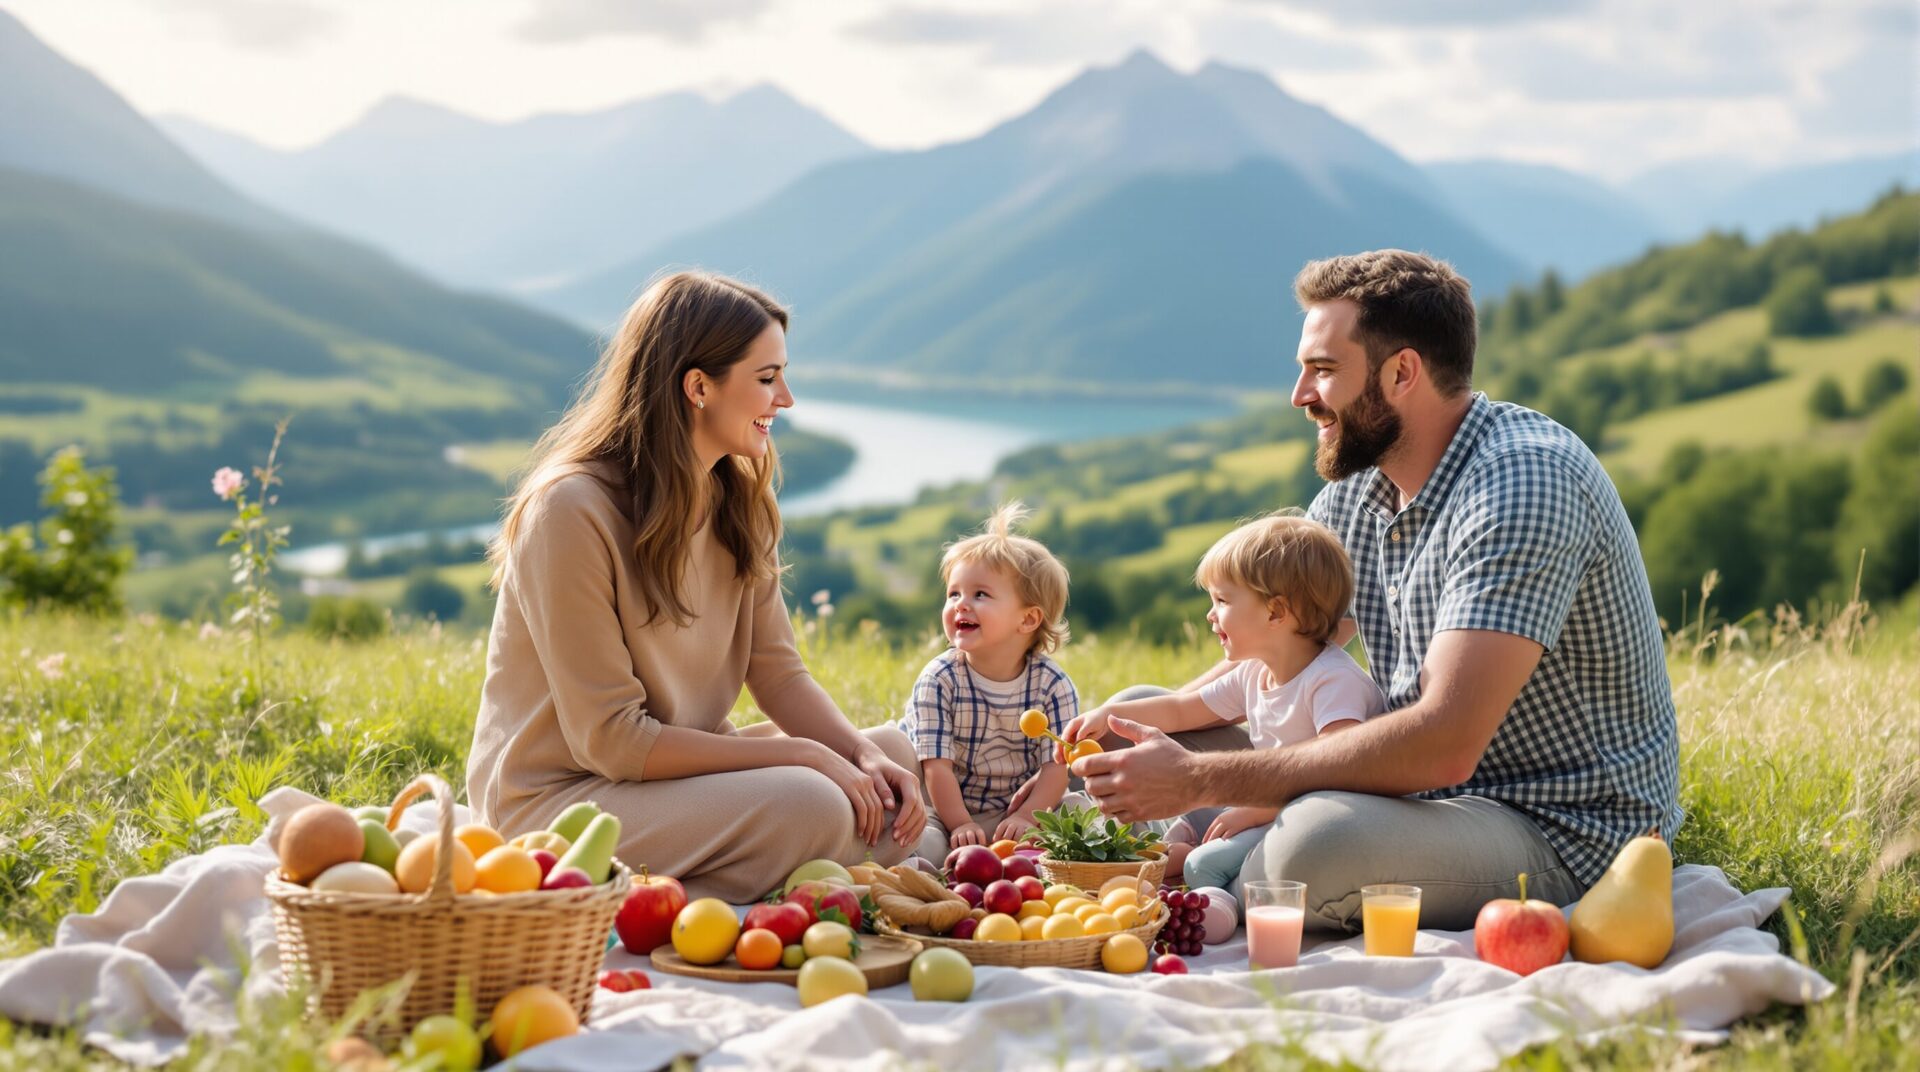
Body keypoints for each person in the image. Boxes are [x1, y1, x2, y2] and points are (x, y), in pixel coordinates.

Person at [1067, 249, 1682, 932]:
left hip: (1552, 826)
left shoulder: (1523, 483)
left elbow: (1445, 742)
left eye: (1324, 371)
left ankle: (1218, 864)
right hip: (1411, 796)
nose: (1300, 395)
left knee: (1314, 846)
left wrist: (1198, 781)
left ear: (1402, 372)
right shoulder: (1359, 486)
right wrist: (1171, 730)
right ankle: (1215, 861)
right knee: (1133, 718)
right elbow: (1278, 642)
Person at [466, 271, 925, 903]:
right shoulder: (570, 511)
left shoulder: (737, 494)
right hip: (560, 801)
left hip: (661, 782)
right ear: (698, 387)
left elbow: (778, 673)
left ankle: (832, 856)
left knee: (892, 753)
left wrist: (852, 754)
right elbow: (613, 741)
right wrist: (805, 757)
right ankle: (813, 866)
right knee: (814, 802)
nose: (785, 399)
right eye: (767, 378)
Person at [1062, 512, 1384, 894]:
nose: (1210, 615)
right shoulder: (1255, 672)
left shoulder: (1332, 680)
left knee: (1203, 863)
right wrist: (1106, 716)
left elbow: (1340, 761)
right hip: (1267, 806)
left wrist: (1258, 809)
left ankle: (1213, 902)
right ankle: (1173, 867)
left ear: (1276, 612)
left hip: (1315, 818)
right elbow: (1182, 710)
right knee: (1176, 840)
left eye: (1222, 600)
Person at [902, 503, 1086, 862]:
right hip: (946, 807)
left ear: (1028, 619)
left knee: (1079, 813)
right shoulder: (940, 680)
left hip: (1019, 808)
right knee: (921, 843)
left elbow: (1055, 768)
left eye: (980, 595)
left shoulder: (1053, 685)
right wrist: (959, 825)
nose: (960, 605)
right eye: (953, 594)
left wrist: (1026, 816)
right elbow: (936, 768)